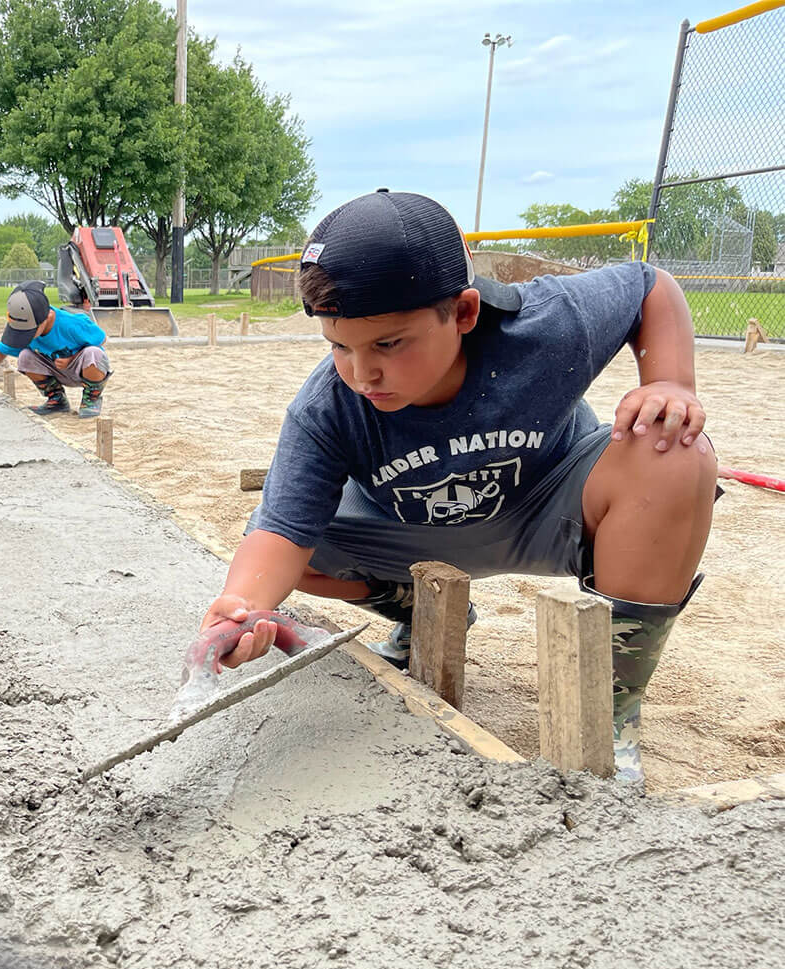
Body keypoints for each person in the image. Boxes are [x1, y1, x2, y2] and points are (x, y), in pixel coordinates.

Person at [196, 189, 719, 784]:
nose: (362, 372)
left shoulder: (550, 325)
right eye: (339, 346)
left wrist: (671, 381)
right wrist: (240, 608)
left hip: (547, 509)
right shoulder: (328, 408)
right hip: (409, 538)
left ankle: (612, 708)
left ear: (465, 312)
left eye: (388, 344)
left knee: (674, 448)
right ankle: (421, 612)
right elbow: (281, 533)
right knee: (286, 550)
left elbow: (651, 285)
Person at [0, 280, 111, 419]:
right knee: (25, 356)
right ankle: (56, 399)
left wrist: (72, 359)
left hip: (82, 369)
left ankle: (91, 398)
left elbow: (101, 339)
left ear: (46, 317)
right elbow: (1, 350)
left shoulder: (72, 324)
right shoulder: (25, 324)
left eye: (29, 332)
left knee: (94, 354)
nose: (25, 337)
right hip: (55, 370)